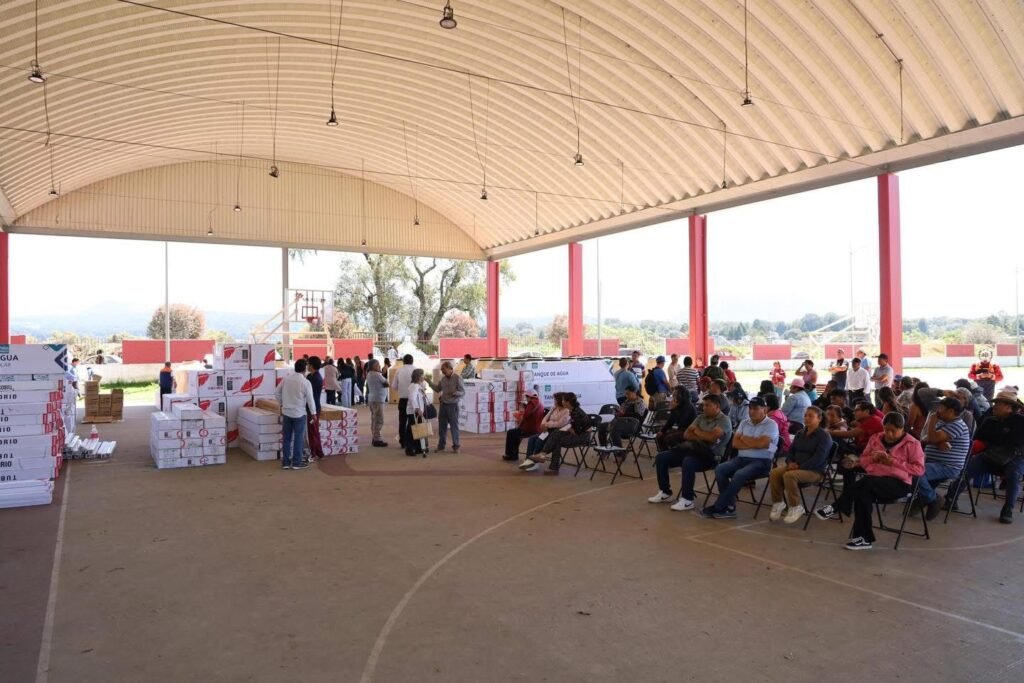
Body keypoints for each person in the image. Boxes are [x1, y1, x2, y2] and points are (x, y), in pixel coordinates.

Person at [815, 412, 925, 550]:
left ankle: (836, 507)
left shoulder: (912, 443)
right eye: (886, 430)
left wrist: (892, 462)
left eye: (893, 431)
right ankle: (863, 539)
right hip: (874, 482)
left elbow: (919, 470)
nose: (889, 434)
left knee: (867, 483)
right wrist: (871, 459)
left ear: (902, 429)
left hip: (899, 484)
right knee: (863, 494)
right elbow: (864, 460)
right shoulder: (875, 438)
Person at [945, 391, 1024, 524]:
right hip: (990, 456)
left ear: (1009, 407)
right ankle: (951, 498)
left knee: (1014, 474)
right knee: (966, 470)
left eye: (998, 404)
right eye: (995, 403)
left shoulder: (1021, 422)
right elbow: (977, 439)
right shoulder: (989, 421)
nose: (994, 407)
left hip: (1015, 457)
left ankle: (1008, 509)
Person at [700, 396, 779, 519]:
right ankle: (729, 506)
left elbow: (763, 444)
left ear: (764, 409)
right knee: (720, 469)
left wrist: (745, 439)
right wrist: (755, 443)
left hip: (762, 461)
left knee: (739, 474)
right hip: (741, 459)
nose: (751, 411)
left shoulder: (771, 424)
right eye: (750, 408)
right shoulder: (744, 422)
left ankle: (719, 506)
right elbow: (735, 444)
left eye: (755, 408)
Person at [647, 395, 732, 509]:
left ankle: (687, 499)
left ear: (717, 406)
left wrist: (696, 431)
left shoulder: (724, 420)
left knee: (688, 462)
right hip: (693, 450)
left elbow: (712, 438)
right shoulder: (701, 417)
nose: (704, 408)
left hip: (710, 457)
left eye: (707, 405)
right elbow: (686, 434)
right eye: (703, 405)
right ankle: (665, 492)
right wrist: (702, 436)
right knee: (661, 457)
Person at [768, 406, 833, 523]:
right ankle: (778, 503)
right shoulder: (800, 433)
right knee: (774, 473)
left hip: (814, 471)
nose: (806, 418)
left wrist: (799, 467)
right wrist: (790, 463)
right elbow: (791, 451)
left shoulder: (824, 436)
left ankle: (796, 506)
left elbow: (818, 458)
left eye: (811, 416)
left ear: (819, 419)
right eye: (805, 415)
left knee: (789, 475)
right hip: (795, 467)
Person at [913, 396, 971, 520]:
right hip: (932, 463)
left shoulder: (957, 425)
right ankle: (926, 498)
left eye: (941, 408)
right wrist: (937, 441)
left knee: (916, 472)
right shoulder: (943, 422)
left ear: (950, 411)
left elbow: (931, 438)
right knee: (909, 470)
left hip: (948, 466)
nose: (938, 411)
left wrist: (932, 422)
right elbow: (924, 437)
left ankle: (933, 499)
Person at [532, 394, 590, 475]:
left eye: (563, 400)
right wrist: (567, 428)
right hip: (576, 432)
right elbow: (572, 426)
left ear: (567, 402)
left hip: (582, 437)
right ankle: (544, 455)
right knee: (556, 433)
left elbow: (577, 431)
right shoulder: (572, 410)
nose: (561, 401)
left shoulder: (576, 413)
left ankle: (551, 464)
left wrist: (569, 428)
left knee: (558, 441)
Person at [275, 359, 316, 470]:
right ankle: (296, 462)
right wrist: (313, 413)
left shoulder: (286, 379)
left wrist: (282, 403)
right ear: (305, 369)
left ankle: (285, 462)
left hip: (287, 412)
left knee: (286, 438)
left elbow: (277, 392)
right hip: (299, 413)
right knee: (298, 438)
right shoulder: (305, 382)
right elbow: (310, 400)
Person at [520, 393, 571, 468]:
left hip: (556, 432)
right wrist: (543, 424)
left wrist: (547, 425)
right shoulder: (554, 408)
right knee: (532, 439)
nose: (554, 401)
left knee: (539, 441)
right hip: (547, 429)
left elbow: (560, 424)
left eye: (555, 400)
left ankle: (534, 462)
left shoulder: (566, 411)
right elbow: (546, 417)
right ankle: (528, 460)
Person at [430, 361, 464, 453]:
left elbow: (463, 392)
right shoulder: (443, 379)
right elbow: (437, 389)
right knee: (442, 427)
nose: (442, 371)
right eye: (442, 370)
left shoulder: (457, 378)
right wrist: (429, 382)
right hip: (443, 406)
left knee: (454, 427)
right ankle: (441, 446)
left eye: (444, 369)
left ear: (450, 368)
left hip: (453, 406)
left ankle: (456, 446)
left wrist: (456, 393)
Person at [504, 390, 546, 461]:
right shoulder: (539, 402)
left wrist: (523, 409)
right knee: (515, 433)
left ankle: (511, 455)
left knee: (511, 433)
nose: (526, 399)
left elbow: (525, 415)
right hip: (536, 428)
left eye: (526, 397)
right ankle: (513, 454)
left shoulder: (531, 403)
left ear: (529, 397)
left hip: (529, 429)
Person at [655, 387, 697, 451]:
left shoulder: (688, 406)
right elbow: (670, 422)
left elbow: (682, 423)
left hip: (688, 431)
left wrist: (674, 409)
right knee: (660, 436)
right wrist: (662, 431)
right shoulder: (678, 404)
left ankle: (674, 454)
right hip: (681, 430)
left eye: (675, 394)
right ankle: (665, 453)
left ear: (681, 395)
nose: (673, 395)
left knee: (669, 438)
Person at [391, 354, 416, 449]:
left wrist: (402, 389)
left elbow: (393, 386)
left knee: (402, 421)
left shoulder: (399, 371)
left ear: (403, 361)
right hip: (414, 401)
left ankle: (402, 442)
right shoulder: (416, 370)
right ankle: (412, 441)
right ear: (412, 361)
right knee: (413, 421)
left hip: (403, 400)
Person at [364, 359, 389, 447]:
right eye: (377, 365)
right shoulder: (377, 375)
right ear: (373, 366)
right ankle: (377, 439)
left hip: (372, 399)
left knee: (374, 419)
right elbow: (387, 383)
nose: (379, 366)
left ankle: (374, 437)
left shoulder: (369, 374)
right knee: (379, 419)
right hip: (378, 399)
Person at [404, 368, 429, 456]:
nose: (423, 376)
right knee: (412, 430)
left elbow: (424, 386)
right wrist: (417, 409)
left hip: (417, 411)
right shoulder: (414, 386)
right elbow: (412, 398)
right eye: (422, 375)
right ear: (418, 376)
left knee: (418, 429)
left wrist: (424, 381)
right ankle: (409, 448)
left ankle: (418, 447)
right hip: (414, 411)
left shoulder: (418, 385)